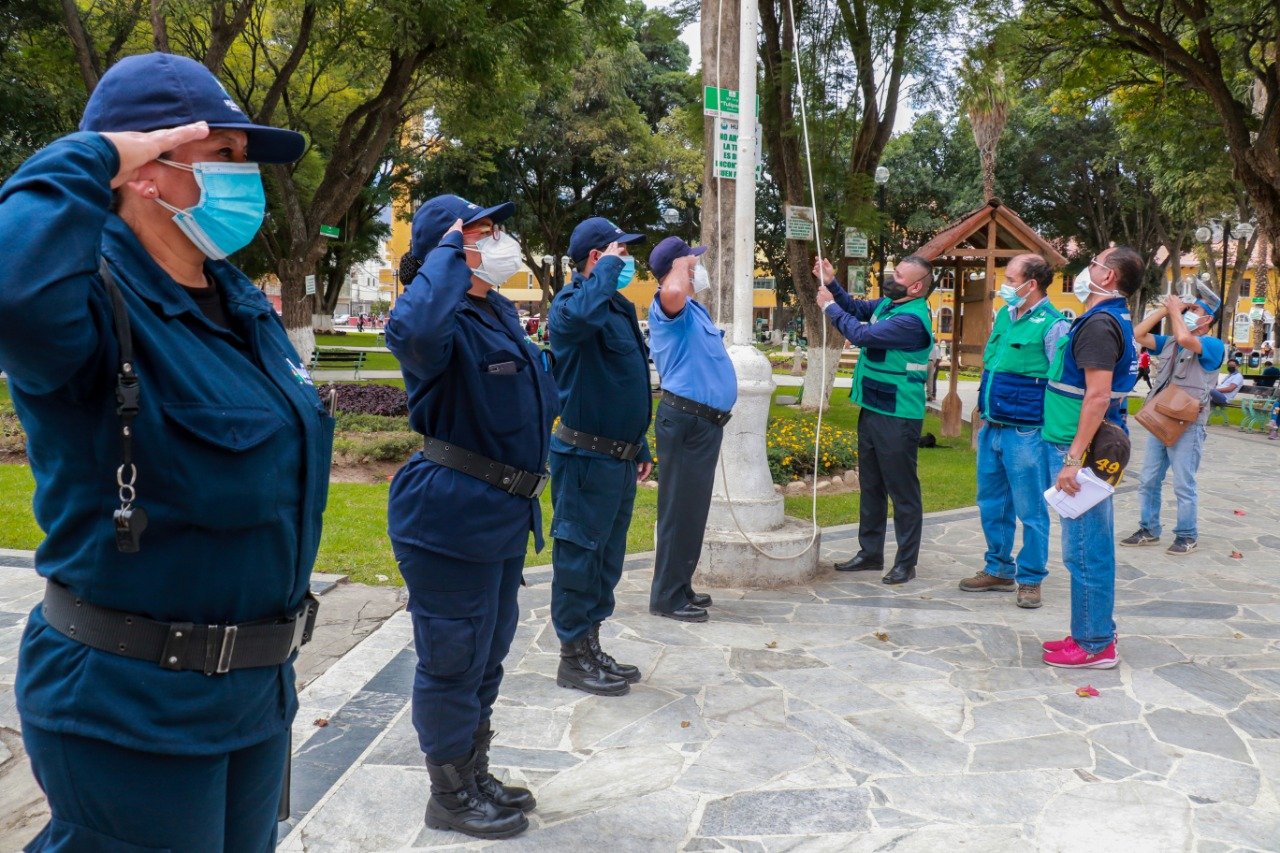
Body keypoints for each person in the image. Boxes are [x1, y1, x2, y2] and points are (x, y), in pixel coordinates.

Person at [0, 53, 331, 850]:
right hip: (132, 705)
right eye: (223, 155)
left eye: (243, 160)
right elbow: (11, 284)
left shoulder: (236, 300)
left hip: (251, 696)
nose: (244, 178)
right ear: (147, 171)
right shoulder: (90, 301)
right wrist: (95, 152)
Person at [386, 194, 559, 839]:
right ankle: (449, 794)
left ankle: (473, 769)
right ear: (449, 252)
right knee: (452, 658)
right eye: (481, 231)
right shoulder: (440, 317)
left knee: (487, 653)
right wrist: (444, 260)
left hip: (501, 512)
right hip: (450, 514)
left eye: (493, 229)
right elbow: (413, 333)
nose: (498, 239)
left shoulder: (498, 312)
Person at [548, 216, 651, 696]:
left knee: (606, 561)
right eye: (620, 252)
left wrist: (640, 444)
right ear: (597, 257)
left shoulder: (616, 307)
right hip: (585, 459)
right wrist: (605, 271)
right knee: (579, 559)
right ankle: (572, 657)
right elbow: (576, 322)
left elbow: (625, 380)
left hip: (618, 458)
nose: (628, 259)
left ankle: (590, 644)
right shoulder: (571, 305)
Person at [1040, 247, 1142, 669]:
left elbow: (1097, 395)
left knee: (1085, 546)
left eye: (1096, 263)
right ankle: (1091, 628)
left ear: (1110, 277)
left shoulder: (1100, 324)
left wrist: (1072, 458)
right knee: (1087, 543)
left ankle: (1095, 643)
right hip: (1081, 442)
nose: (1088, 269)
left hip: (1080, 447)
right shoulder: (1110, 319)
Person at [815, 254, 935, 585]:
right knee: (872, 485)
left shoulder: (911, 320)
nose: (889, 277)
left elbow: (863, 335)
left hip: (898, 415)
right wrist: (832, 282)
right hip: (874, 407)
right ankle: (870, 553)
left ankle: (905, 563)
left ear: (915, 286)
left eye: (897, 275)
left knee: (902, 490)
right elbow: (856, 310)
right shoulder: (890, 304)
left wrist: (828, 307)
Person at [959, 254, 1069, 608]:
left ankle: (1031, 578)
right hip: (993, 425)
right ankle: (998, 569)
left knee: (1031, 510)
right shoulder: (1006, 315)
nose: (1004, 286)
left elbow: (1061, 383)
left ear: (1031, 284)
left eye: (1010, 279)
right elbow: (995, 364)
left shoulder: (1054, 325)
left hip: (1026, 433)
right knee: (991, 503)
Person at [646, 236, 737, 622]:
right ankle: (666, 596)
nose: (699, 268)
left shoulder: (693, 310)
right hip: (685, 419)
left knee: (693, 512)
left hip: (701, 423)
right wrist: (679, 266)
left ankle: (680, 584)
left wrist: (684, 264)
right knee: (678, 512)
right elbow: (672, 287)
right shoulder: (668, 304)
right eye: (692, 263)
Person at [1121, 294, 1225, 555]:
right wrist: (1166, 310)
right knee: (1148, 479)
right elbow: (1137, 334)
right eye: (1186, 309)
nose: (1187, 311)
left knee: (1183, 483)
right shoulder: (1168, 342)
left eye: (1193, 309)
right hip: (1160, 419)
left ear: (1207, 318)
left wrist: (1176, 314)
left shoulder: (1213, 345)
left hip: (1188, 424)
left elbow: (1185, 339)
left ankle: (1187, 535)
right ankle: (1149, 528)